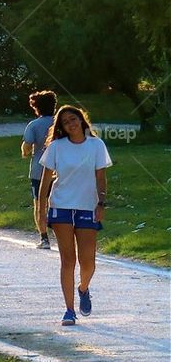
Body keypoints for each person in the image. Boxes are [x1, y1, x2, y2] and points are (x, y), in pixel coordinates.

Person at [37, 105, 113, 326]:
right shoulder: (56, 147)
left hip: (87, 206)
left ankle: (83, 288)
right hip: (61, 206)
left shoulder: (96, 145)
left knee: (87, 261)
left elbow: (101, 178)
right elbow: (45, 181)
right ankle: (69, 309)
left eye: (73, 119)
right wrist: (41, 211)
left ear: (81, 120)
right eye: (65, 122)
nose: (71, 124)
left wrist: (101, 203)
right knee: (67, 260)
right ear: (61, 127)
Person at [22, 89, 57, 248]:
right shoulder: (60, 122)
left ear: (37, 108)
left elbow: (26, 147)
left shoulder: (34, 125)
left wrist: (25, 151)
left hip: (38, 170)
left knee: (39, 203)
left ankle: (44, 238)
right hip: (60, 169)